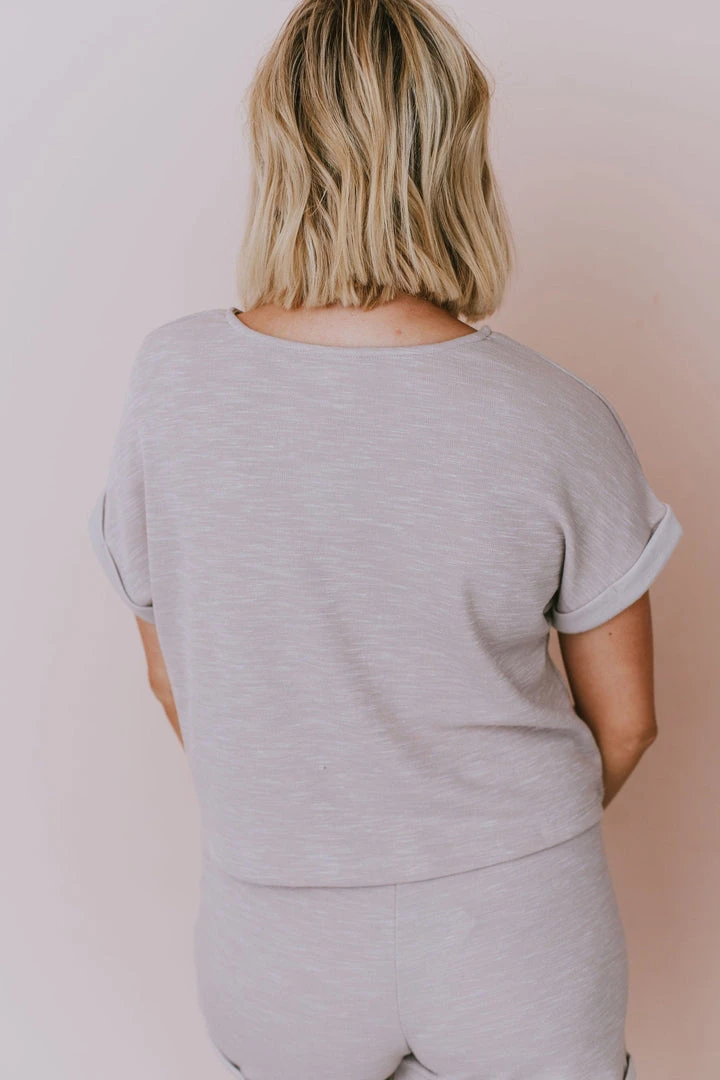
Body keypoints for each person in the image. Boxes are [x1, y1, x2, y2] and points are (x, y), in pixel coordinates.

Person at [87, 2, 683, 1078]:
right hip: (519, 923)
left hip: (277, 924)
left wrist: (320, 820)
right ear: (456, 155)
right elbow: (629, 723)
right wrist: (488, 857)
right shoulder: (557, 412)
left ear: (280, 147)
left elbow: (175, 680)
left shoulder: (173, 385)